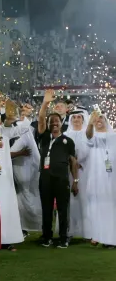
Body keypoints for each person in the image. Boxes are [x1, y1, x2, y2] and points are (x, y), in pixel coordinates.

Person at [37, 90, 79, 248]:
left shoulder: (68, 141)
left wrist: (75, 181)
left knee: (63, 210)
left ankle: (63, 238)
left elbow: (73, 162)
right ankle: (46, 237)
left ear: (61, 123)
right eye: (51, 122)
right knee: (46, 209)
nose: (54, 123)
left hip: (62, 180)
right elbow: (41, 119)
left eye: (57, 121)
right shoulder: (45, 137)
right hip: (45, 179)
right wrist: (45, 103)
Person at [0, 110, 29, 250]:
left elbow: (23, 128)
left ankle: (7, 240)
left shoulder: (5, 133)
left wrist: (22, 116)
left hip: (5, 180)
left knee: (7, 209)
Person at [56, 108, 90, 240]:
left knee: (85, 199)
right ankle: (69, 231)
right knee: (69, 201)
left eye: (79, 117)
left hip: (85, 172)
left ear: (83, 119)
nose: (76, 120)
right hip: (69, 173)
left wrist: (81, 163)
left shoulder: (88, 134)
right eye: (74, 117)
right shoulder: (66, 134)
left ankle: (87, 231)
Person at [85, 111, 116, 248]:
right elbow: (88, 136)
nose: (99, 120)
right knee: (96, 205)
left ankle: (110, 236)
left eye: (101, 118)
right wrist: (90, 124)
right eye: (96, 119)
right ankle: (97, 234)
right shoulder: (93, 136)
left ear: (106, 121)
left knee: (110, 205)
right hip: (96, 176)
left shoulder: (113, 136)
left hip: (111, 176)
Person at [10, 111, 42, 236]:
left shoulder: (23, 137)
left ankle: (24, 227)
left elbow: (6, 154)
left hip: (23, 174)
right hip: (29, 173)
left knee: (23, 201)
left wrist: (18, 154)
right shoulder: (28, 137)